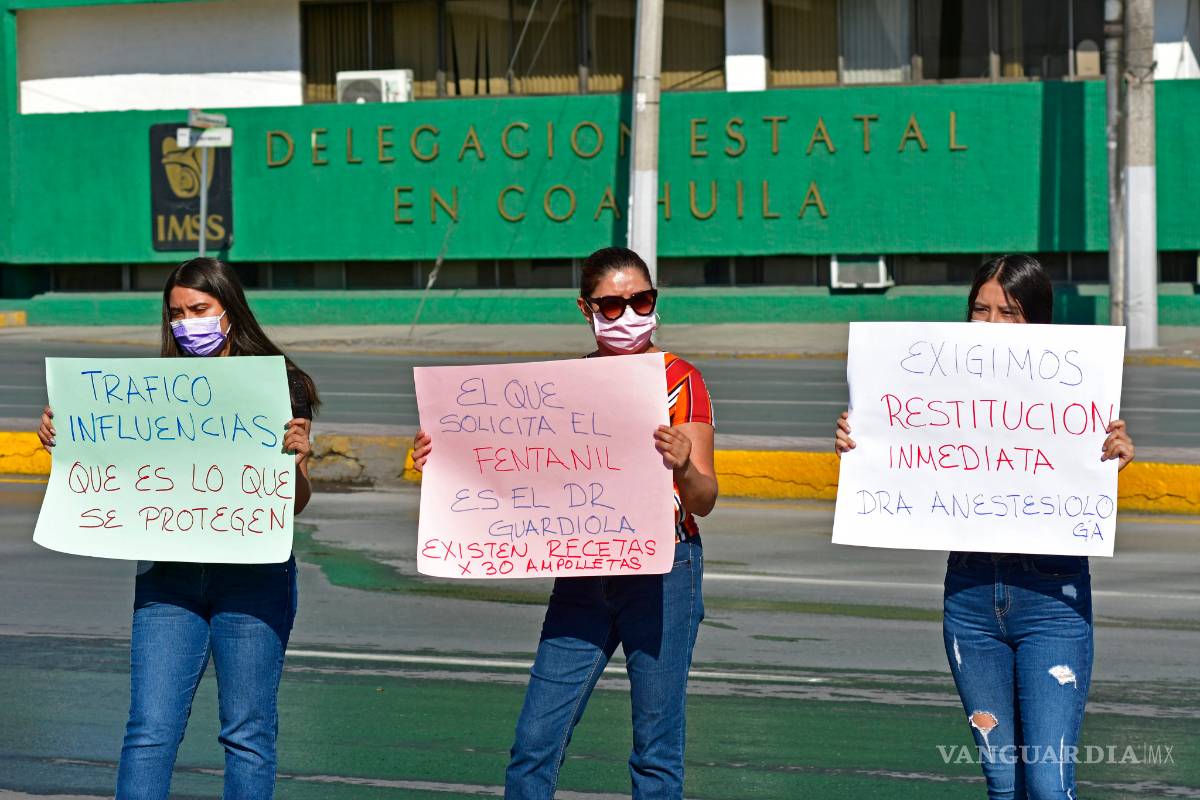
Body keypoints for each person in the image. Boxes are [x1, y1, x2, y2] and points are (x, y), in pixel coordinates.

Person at [412, 247, 718, 799]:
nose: (629, 315)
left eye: (642, 300)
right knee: (535, 740)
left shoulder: (682, 380)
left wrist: (684, 466)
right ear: (586, 309)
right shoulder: (566, 387)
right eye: (612, 305)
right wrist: (444, 456)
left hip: (665, 572)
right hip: (585, 574)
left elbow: (705, 498)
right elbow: (513, 468)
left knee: (656, 748)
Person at [834, 254, 1135, 800]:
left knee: (1047, 784)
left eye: (1009, 312)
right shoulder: (942, 384)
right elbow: (904, 443)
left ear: (1037, 320)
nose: (992, 323)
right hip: (970, 600)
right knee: (1002, 782)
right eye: (981, 309)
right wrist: (863, 440)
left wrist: (1112, 453)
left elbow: (1078, 465)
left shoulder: (1070, 387)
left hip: (1051, 602)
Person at [36, 257, 319, 800]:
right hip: (168, 581)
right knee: (150, 731)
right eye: (176, 314)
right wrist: (65, 432)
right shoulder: (152, 390)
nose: (187, 323)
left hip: (254, 578)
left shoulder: (281, 384)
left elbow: (294, 505)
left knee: (248, 734)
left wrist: (299, 461)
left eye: (199, 309)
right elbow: (114, 462)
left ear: (230, 309)